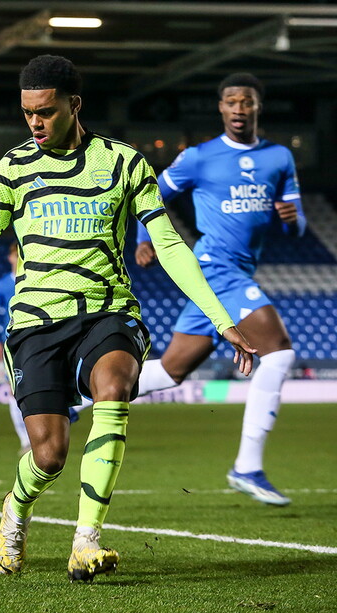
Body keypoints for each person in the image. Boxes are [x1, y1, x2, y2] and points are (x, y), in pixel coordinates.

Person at [0, 55, 255, 582]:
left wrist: (220, 318)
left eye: (45, 112)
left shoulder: (123, 163)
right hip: (34, 322)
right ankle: (15, 508)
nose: (35, 123)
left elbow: (166, 241)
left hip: (107, 312)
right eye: (27, 114)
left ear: (75, 105)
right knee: (49, 455)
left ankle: (86, 540)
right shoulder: (12, 169)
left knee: (114, 388)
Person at [131, 73, 305, 506]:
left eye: (247, 101)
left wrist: (292, 219)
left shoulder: (279, 157)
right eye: (231, 101)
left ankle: (76, 396)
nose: (239, 108)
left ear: (257, 107)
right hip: (215, 268)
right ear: (221, 108)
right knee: (279, 352)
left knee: (170, 372)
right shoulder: (199, 158)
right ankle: (247, 466)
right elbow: (149, 194)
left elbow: (299, 223)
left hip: (232, 273)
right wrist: (143, 237)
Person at [0, 242, 33, 450]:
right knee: (16, 390)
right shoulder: (3, 285)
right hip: (13, 343)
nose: (18, 259)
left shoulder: (36, 280)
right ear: (10, 258)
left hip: (36, 340)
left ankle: (39, 436)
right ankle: (25, 441)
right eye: (16, 255)